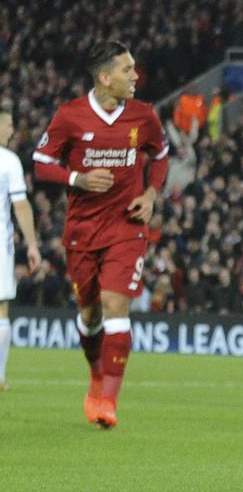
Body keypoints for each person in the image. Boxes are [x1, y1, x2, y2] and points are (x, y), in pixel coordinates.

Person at [32, 40, 169, 428]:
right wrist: (77, 178)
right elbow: (41, 162)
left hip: (127, 227)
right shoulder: (70, 115)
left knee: (115, 304)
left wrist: (151, 194)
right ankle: (96, 376)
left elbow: (160, 155)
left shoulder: (144, 116)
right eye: (128, 70)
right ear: (105, 78)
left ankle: (108, 400)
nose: (136, 76)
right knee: (90, 313)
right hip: (82, 231)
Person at [1, 111, 43, 391]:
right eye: (8, 124)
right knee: (1, 308)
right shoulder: (8, 161)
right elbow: (20, 205)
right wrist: (32, 244)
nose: (12, 130)